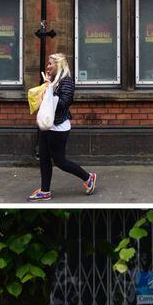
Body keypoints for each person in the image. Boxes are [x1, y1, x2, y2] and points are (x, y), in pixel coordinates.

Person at [28, 53, 96, 201]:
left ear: (59, 65)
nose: (48, 66)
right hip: (46, 125)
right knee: (44, 158)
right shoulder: (51, 81)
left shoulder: (67, 82)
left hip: (59, 127)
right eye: (48, 63)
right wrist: (45, 88)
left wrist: (49, 91)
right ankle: (45, 191)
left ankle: (88, 177)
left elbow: (64, 103)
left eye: (51, 63)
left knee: (60, 161)